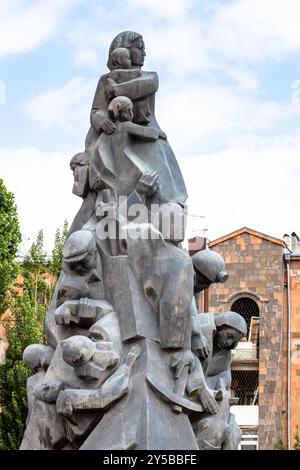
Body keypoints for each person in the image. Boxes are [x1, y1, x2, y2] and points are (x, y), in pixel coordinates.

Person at [85, 31, 187, 206]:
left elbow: (148, 85)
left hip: (146, 134)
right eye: (140, 48)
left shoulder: (149, 76)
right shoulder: (105, 80)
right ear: (124, 52)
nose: (144, 53)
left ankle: (169, 208)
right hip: (117, 136)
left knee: (168, 181)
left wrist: (116, 90)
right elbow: (96, 110)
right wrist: (102, 121)